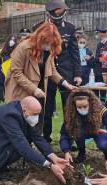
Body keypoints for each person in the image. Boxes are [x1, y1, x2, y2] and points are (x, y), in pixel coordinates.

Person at [0, 96, 72, 184]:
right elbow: (22, 146)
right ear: (25, 110)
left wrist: (54, 158)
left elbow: (37, 137)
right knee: (22, 146)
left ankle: (0, 167)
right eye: (35, 114)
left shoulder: (20, 112)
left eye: (38, 114)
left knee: (25, 142)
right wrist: (49, 165)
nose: (36, 117)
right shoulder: (9, 115)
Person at [5, 22, 76, 142]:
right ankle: (17, 148)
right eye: (47, 42)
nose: (48, 45)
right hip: (21, 90)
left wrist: (65, 84)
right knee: (20, 120)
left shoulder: (49, 50)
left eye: (51, 43)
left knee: (37, 120)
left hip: (40, 90)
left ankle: (32, 146)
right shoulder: (23, 47)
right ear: (40, 38)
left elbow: (52, 71)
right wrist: (34, 89)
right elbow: (16, 73)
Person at [33, 0, 81, 141]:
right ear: (50, 12)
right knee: (47, 107)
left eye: (63, 11)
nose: (62, 14)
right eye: (59, 11)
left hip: (66, 72)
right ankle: (45, 137)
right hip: (47, 73)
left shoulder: (70, 28)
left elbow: (74, 53)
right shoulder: (38, 27)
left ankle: (68, 138)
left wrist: (77, 74)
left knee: (68, 108)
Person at [60, 89, 107, 168]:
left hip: (99, 131)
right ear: (74, 105)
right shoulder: (71, 113)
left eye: (85, 106)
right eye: (79, 107)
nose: (82, 109)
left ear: (90, 103)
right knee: (77, 132)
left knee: (103, 144)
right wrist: (66, 151)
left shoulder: (101, 110)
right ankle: (82, 153)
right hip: (81, 131)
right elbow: (64, 134)